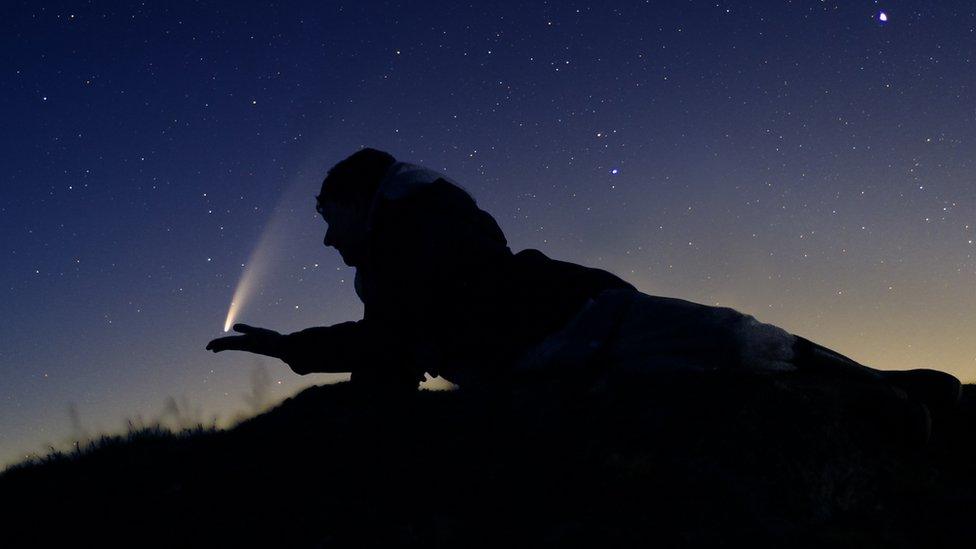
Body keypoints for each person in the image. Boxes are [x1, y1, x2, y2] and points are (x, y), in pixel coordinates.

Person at [206, 148, 961, 412]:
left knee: (739, 344)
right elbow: (401, 346)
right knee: (723, 364)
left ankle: (884, 390)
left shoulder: (417, 235)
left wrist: (294, 349)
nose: (329, 235)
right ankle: (880, 392)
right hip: (569, 345)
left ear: (365, 201)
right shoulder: (400, 255)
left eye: (331, 215)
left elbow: (401, 334)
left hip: (582, 318)